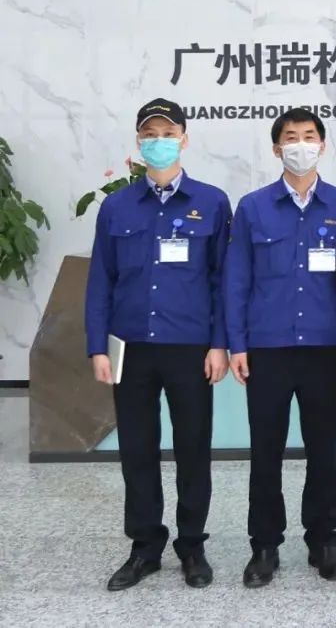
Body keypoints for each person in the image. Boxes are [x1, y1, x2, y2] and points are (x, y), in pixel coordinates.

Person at [85, 98, 231, 591]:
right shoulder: (117, 206)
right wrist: (98, 347)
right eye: (150, 134)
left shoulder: (212, 201)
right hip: (130, 348)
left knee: (193, 448)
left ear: (184, 139)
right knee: (137, 450)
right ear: (138, 141)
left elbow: (222, 280)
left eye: (168, 133)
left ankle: (192, 545)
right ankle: (145, 546)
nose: (159, 141)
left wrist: (219, 344)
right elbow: (100, 281)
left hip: (190, 347)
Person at [225, 108, 336, 588]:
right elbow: (237, 279)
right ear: (276, 148)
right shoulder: (253, 207)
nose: (300, 145)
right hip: (267, 348)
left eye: (308, 137)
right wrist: (237, 344)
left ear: (322, 146)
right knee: (266, 450)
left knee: (323, 450)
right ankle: (264, 546)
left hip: (324, 347)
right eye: (290, 137)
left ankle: (323, 541)